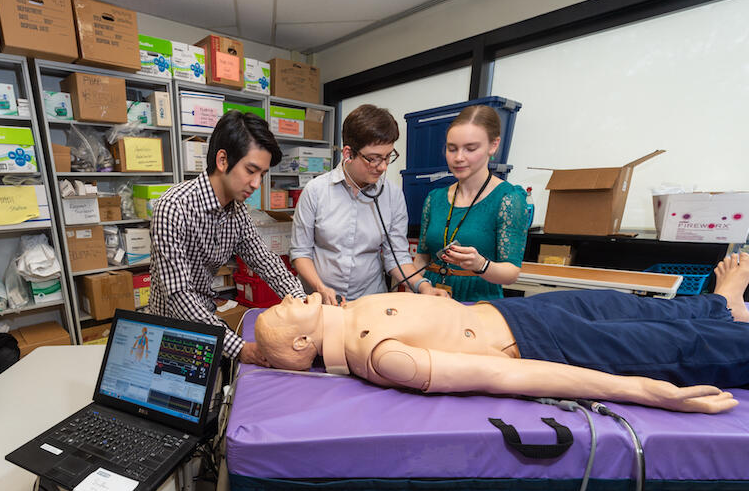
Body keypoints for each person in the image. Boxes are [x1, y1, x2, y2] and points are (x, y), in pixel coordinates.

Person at [252, 254, 749, 414]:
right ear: (302, 344)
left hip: (512, 312)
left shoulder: (345, 309)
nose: (285, 300)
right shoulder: (382, 358)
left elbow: (259, 350)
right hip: (538, 345)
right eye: (282, 313)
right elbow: (504, 376)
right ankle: (730, 330)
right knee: (672, 348)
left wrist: (255, 350)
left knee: (633, 308)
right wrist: (643, 391)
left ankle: (720, 305)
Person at [150, 110, 305, 367]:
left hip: (207, 320)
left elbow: (265, 261)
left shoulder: (237, 211)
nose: (257, 184)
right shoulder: (173, 208)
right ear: (223, 160)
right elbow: (179, 296)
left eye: (262, 175)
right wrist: (238, 347)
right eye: (251, 170)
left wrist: (299, 300)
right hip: (172, 331)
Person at [290, 104, 449, 304]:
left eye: (388, 157)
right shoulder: (316, 191)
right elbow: (300, 253)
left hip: (370, 300)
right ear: (348, 153)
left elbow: (397, 255)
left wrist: (423, 286)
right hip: (320, 299)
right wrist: (321, 288)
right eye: (373, 159)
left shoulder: (392, 195)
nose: (382, 167)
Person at [415, 105, 530, 301]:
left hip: (478, 303)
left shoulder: (508, 199)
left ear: (493, 146)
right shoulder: (434, 198)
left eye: (470, 149)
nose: (459, 158)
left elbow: (511, 272)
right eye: (452, 149)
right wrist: (416, 290)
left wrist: (481, 264)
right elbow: (422, 258)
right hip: (433, 300)